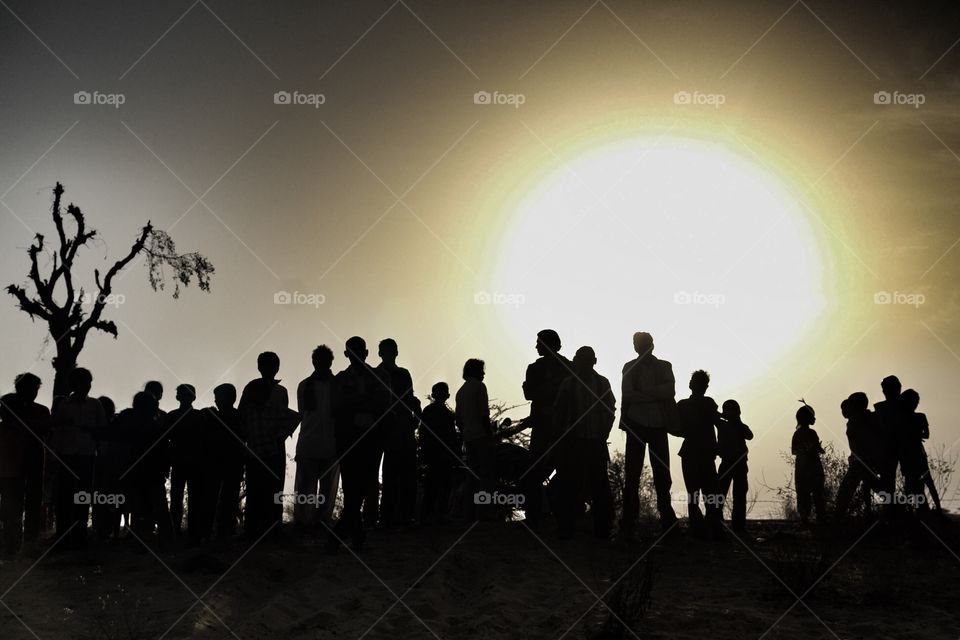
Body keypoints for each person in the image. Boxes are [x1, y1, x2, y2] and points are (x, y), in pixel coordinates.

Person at [327, 337, 388, 553]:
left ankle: (343, 533)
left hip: (370, 438)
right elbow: (336, 406)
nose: (356, 356)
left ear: (365, 353)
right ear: (347, 355)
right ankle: (354, 533)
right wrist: (361, 402)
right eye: (352, 352)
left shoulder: (378, 376)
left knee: (360, 486)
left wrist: (355, 403)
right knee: (352, 486)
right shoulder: (342, 379)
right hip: (348, 438)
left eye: (358, 352)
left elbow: (383, 403)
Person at [551, 347, 616, 539]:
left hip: (592, 441)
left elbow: (609, 411)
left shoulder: (598, 383)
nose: (585, 364)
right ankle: (570, 528)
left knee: (596, 486)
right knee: (573, 485)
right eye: (582, 360)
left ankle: (598, 529)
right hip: (576, 442)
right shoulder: (571, 384)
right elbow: (559, 412)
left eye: (586, 360)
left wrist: (602, 434)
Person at [620, 332, 679, 534]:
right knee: (632, 475)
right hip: (637, 425)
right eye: (638, 344)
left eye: (643, 344)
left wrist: (641, 395)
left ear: (651, 345)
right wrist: (654, 394)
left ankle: (667, 520)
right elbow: (628, 395)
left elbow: (669, 391)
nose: (641, 347)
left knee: (662, 475)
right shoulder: (630, 367)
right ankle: (629, 521)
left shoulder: (664, 366)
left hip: (658, 425)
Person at [239, 352, 298, 540]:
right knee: (257, 487)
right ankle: (254, 529)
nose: (270, 368)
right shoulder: (252, 388)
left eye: (272, 365)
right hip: (257, 444)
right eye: (266, 365)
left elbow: (285, 417)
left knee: (274, 488)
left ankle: (272, 527)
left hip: (275, 445)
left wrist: (279, 435)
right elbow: (243, 415)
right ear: (259, 367)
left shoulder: (281, 391)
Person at [50, 367, 106, 550]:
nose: (87, 386)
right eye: (83, 382)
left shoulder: (95, 405)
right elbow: (56, 431)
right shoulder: (63, 405)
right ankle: (63, 537)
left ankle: (78, 536)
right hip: (67, 456)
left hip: (86, 457)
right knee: (65, 498)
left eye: (88, 382)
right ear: (74, 385)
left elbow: (102, 431)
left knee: (81, 498)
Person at [521, 330, 572, 525]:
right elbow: (530, 393)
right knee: (561, 468)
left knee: (538, 469)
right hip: (558, 425)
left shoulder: (538, 368)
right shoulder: (568, 367)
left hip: (549, 425)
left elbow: (530, 392)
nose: (536, 346)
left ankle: (539, 513)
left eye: (539, 343)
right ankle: (556, 512)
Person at [0, 373, 51, 556]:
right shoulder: (9, 404)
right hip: (14, 460)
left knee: (29, 503)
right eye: (29, 388)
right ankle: (13, 544)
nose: (32, 393)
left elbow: (41, 427)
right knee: (14, 504)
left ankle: (24, 544)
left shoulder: (36, 409)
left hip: (30, 460)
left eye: (34, 389)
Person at [375, 338, 421, 529]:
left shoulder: (402, 374)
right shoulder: (376, 374)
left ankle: (403, 516)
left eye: (391, 350)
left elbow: (410, 398)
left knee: (406, 474)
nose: (389, 353)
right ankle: (388, 517)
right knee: (392, 474)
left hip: (402, 428)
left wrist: (414, 420)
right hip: (388, 429)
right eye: (386, 350)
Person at [294, 346, 339, 532]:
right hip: (311, 442)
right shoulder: (305, 385)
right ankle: (306, 522)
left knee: (326, 489)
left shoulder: (337, 385)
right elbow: (303, 413)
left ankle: (321, 522)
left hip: (329, 443)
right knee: (308, 488)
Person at [122, 391, 174, 547]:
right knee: (156, 507)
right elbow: (164, 451)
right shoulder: (155, 427)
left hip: (143, 473)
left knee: (142, 508)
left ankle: (145, 539)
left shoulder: (134, 426)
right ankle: (164, 539)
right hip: (150, 473)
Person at [676, 370, 722, 538]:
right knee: (708, 493)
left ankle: (701, 527)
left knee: (696, 493)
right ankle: (709, 527)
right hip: (701, 453)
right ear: (705, 387)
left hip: (693, 453)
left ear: (691, 384)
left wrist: (686, 432)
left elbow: (673, 428)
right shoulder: (707, 404)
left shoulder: (683, 405)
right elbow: (718, 423)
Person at [166, 384, 214, 541]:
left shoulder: (174, 416)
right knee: (190, 498)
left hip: (187, 462)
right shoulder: (199, 416)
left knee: (182, 497)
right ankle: (189, 531)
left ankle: (179, 531)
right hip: (190, 462)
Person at [456, 358, 495, 521]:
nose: (484, 373)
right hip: (480, 435)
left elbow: (458, 419)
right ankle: (484, 512)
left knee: (472, 475)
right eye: (481, 370)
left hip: (468, 436)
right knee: (486, 475)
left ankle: (469, 513)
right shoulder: (480, 387)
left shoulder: (461, 391)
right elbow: (484, 415)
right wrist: (490, 435)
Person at [205, 384, 245, 538]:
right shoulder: (238, 417)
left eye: (218, 398)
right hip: (229, 463)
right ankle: (224, 532)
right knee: (227, 499)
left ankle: (214, 531)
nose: (215, 401)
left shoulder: (216, 417)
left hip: (221, 463)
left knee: (214, 498)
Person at [418, 382, 460, 525]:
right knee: (439, 484)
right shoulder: (445, 414)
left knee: (436, 484)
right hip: (439, 454)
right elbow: (451, 437)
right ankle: (435, 514)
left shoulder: (430, 411)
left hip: (436, 454)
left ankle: (431, 514)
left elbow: (423, 433)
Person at [834, 392, 880, 519]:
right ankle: (875, 514)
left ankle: (838, 518)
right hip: (868, 460)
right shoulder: (869, 417)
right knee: (876, 488)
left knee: (845, 492)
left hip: (860, 461)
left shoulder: (857, 420)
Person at [899, 389, 940, 514]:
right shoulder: (911, 418)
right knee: (915, 484)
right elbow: (925, 434)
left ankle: (934, 511)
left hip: (915, 454)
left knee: (923, 483)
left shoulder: (913, 417)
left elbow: (926, 435)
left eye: (916, 401)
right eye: (914, 401)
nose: (915, 404)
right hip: (911, 454)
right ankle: (915, 510)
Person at [716, 399, 753, 533]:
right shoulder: (722, 424)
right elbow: (713, 415)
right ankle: (718, 523)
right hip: (729, 462)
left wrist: (733, 419)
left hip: (738, 463)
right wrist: (726, 416)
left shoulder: (738, 426)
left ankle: (738, 527)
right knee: (721, 494)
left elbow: (750, 435)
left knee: (738, 495)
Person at [792, 401, 826, 525]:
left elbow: (794, 450)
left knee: (803, 493)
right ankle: (820, 517)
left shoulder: (797, 433)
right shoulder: (812, 433)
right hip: (813, 466)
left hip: (802, 467)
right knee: (817, 492)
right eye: (812, 415)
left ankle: (805, 518)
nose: (814, 418)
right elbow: (817, 449)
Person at [873, 375, 903, 510]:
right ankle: (894, 509)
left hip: (892, 449)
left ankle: (893, 509)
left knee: (887, 482)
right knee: (887, 482)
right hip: (891, 449)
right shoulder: (882, 408)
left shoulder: (882, 409)